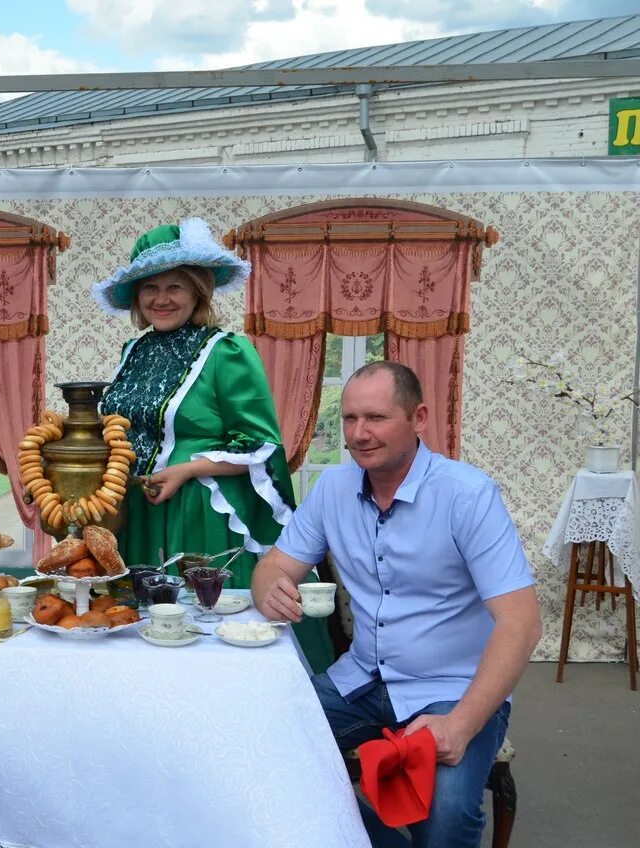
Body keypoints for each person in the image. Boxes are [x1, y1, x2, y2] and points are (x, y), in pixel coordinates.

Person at [251, 361, 542, 848]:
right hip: (362, 680)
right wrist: (268, 586)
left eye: (376, 418)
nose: (359, 434)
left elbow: (521, 622)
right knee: (261, 749)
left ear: (419, 417)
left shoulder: (468, 495)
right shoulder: (333, 490)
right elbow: (273, 567)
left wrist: (461, 723)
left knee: (445, 815)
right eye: (349, 419)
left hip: (452, 691)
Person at [94, 217, 332, 670]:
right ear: (137, 299)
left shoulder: (226, 350)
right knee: (149, 627)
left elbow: (261, 444)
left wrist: (186, 468)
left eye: (175, 287)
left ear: (198, 292)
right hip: (139, 509)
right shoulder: (134, 351)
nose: (161, 299)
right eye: (150, 289)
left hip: (201, 511)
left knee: (205, 626)